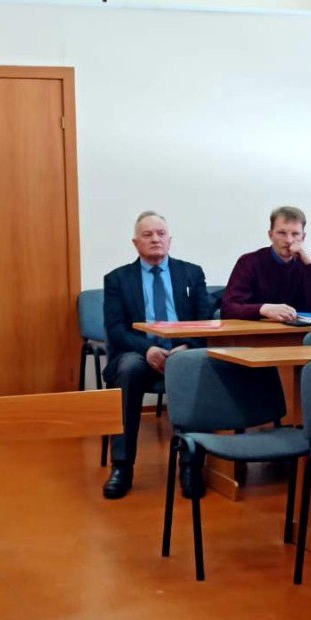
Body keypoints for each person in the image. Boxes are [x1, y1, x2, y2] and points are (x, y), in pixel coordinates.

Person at [101, 212, 212, 500]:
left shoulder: (191, 273)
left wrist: (187, 346)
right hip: (138, 353)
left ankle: (190, 465)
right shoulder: (117, 279)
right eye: (147, 234)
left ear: (170, 240)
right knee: (129, 369)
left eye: (161, 233)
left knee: (194, 366)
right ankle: (122, 466)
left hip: (181, 351)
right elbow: (115, 329)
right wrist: (147, 349)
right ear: (135, 243)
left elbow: (205, 321)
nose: (155, 239)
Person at [221, 206, 311, 321]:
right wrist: (262, 309)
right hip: (257, 328)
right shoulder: (249, 262)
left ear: (303, 237)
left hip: (298, 329)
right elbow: (228, 309)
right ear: (271, 235)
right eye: (282, 233)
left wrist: (309, 265)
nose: (289, 240)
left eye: (295, 234)